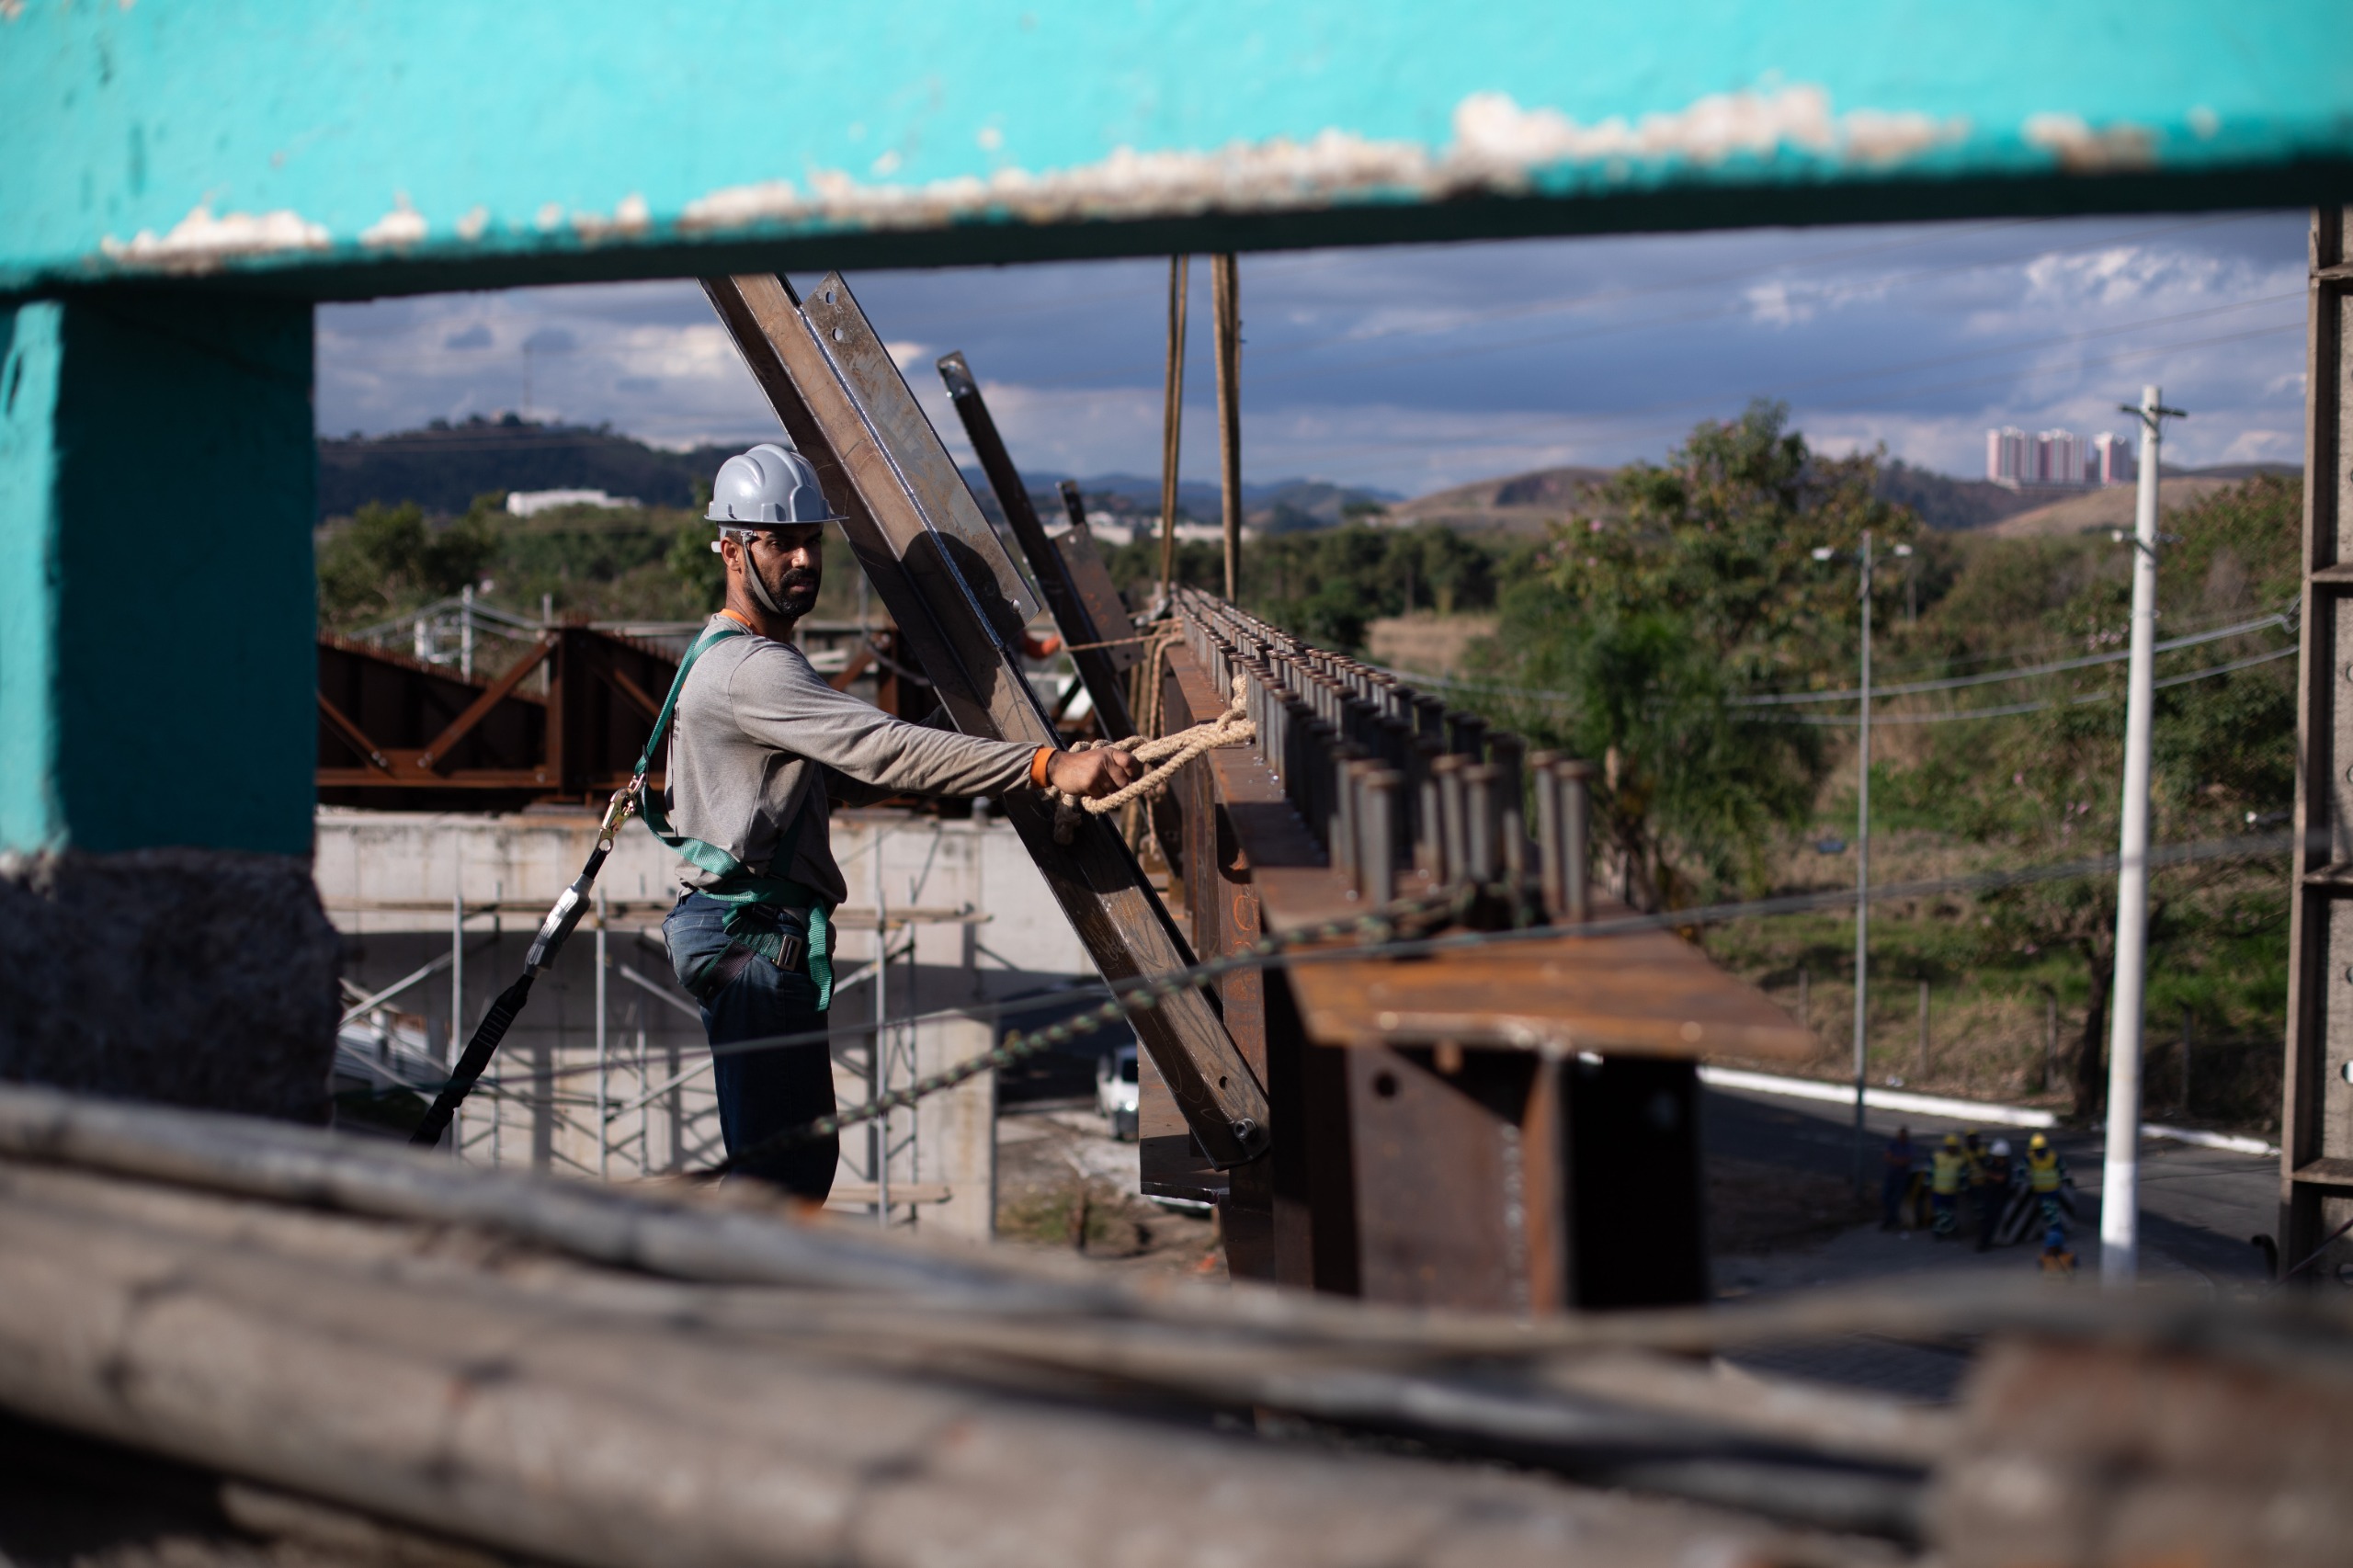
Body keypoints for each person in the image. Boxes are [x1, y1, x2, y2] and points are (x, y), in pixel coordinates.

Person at [652, 440, 1141, 1196]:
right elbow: (883, 750)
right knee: (781, 1178)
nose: (803, 560)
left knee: (786, 1169)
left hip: (746, 930)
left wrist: (963, 740)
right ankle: (713, 1274)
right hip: (752, 937)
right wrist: (1047, 766)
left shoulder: (723, 653)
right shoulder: (754, 669)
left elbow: (835, 779)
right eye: (780, 544)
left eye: (811, 541)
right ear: (732, 549)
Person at [2025, 1131, 2072, 1233]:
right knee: (2049, 1214)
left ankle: (2055, 1236)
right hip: (2040, 1191)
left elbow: (2063, 1169)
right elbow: (2021, 1169)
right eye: (2037, 1150)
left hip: (2052, 1191)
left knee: (2051, 1214)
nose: (2039, 1153)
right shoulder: (2031, 1157)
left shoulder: (2053, 1157)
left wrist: (2066, 1180)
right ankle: (2053, 1234)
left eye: (2041, 1150)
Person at [1974, 1137, 2014, 1252]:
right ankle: (1983, 1242)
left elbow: (2001, 1178)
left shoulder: (2007, 1166)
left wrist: (1988, 1174)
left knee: (1991, 1221)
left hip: (1999, 1199)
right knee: (1985, 1220)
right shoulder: (1993, 1165)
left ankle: (1986, 1243)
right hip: (1989, 1196)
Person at [1928, 1132, 1968, 1239]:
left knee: (1949, 1213)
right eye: (1950, 1147)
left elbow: (1963, 1176)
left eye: (1954, 1147)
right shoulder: (1937, 1157)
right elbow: (1930, 1171)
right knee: (1940, 1213)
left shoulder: (1959, 1160)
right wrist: (1927, 1184)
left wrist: (1963, 1189)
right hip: (1938, 1191)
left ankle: (1941, 1231)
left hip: (1951, 1192)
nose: (1952, 1149)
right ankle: (1948, 1229)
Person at [1881, 1126, 1915, 1231]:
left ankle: (1891, 1220)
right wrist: (1898, 1161)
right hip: (1891, 1175)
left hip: (1901, 1177)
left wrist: (1894, 1160)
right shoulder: (1893, 1144)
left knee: (1895, 1200)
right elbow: (1887, 1157)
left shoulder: (1908, 1146)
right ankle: (1892, 1220)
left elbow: (1906, 1161)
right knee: (1885, 1197)